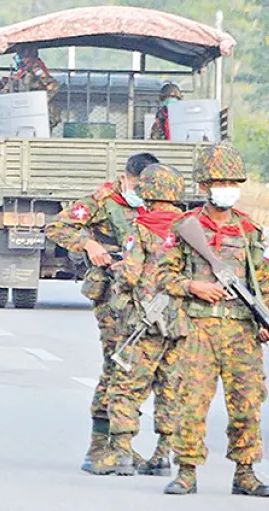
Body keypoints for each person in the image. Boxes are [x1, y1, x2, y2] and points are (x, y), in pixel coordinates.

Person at [157, 143, 269, 497]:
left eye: (232, 181)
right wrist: (193, 285)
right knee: (191, 402)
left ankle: (246, 473)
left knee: (247, 403)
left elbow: (267, 281)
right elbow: (161, 276)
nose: (227, 187)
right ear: (203, 186)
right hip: (198, 328)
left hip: (242, 331)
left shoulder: (249, 231)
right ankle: (185, 471)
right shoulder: (185, 227)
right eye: (218, 181)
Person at [44, 152, 159, 473]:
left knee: (140, 369)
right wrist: (88, 244)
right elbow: (57, 227)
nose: (144, 190)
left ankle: (122, 445)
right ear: (127, 178)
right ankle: (100, 446)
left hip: (146, 294)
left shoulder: (155, 202)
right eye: (139, 184)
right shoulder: (102, 199)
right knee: (117, 364)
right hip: (111, 292)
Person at [90, 164, 188, 477]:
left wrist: (118, 284)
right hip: (179, 319)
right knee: (170, 385)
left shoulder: (141, 227)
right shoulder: (191, 226)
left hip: (144, 320)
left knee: (126, 385)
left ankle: (121, 453)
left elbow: (130, 274)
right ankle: (163, 453)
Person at [12, 44, 60, 129]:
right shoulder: (22, 71)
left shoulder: (36, 68)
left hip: (41, 115)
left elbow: (53, 86)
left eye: (23, 55)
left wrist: (40, 102)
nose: (21, 58)